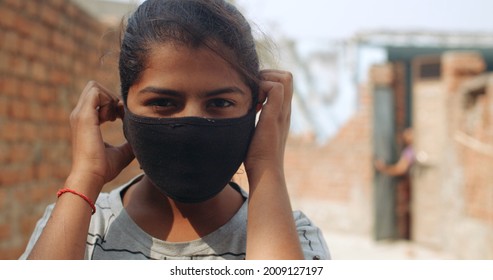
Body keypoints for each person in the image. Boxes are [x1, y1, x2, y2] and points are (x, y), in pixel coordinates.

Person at [20, 0, 329, 260]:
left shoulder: (296, 238)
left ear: (255, 110)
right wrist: (85, 176)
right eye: (163, 101)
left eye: (220, 103)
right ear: (123, 110)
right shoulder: (76, 225)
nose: (191, 126)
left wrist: (266, 166)